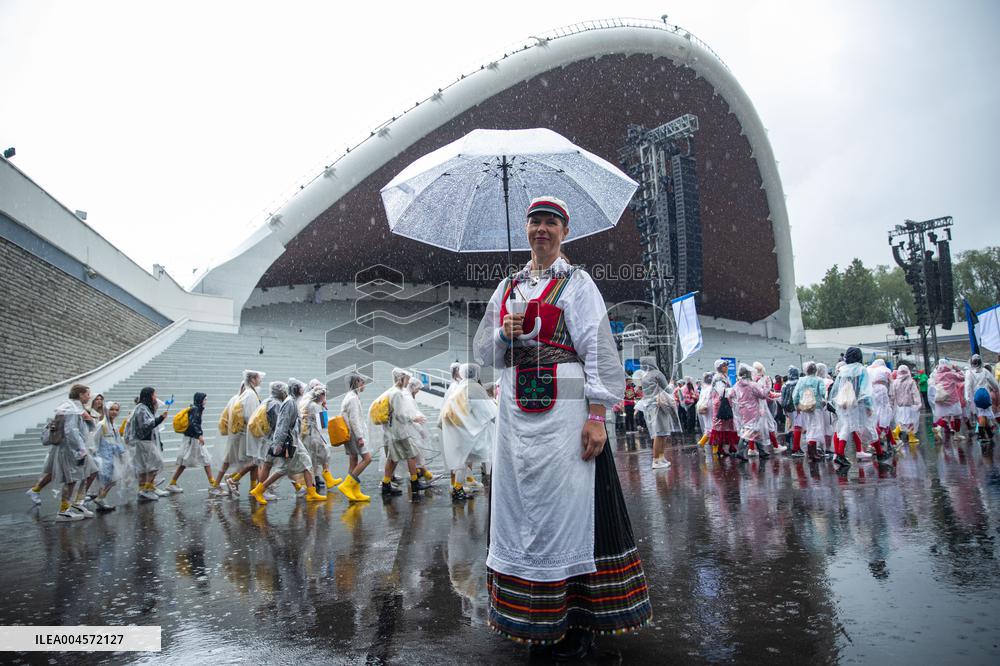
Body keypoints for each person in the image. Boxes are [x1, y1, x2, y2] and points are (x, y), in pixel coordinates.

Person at [473, 196, 651, 656]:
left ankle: (576, 620)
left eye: (551, 223)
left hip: (564, 412)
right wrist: (502, 334)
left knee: (568, 508)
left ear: (564, 232)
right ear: (526, 229)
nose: (541, 230)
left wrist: (597, 417)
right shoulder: (507, 287)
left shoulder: (577, 283)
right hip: (516, 414)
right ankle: (535, 619)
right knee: (520, 508)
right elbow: (482, 358)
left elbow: (599, 350)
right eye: (535, 223)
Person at [249, 379, 326, 505]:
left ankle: (311, 492)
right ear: (296, 389)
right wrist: (278, 443)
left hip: (294, 440)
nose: (303, 390)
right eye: (301, 388)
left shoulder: (293, 402)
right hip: (288, 440)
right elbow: (282, 423)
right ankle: (259, 490)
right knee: (283, 468)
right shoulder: (289, 403)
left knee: (307, 463)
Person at [440, 363, 497, 501]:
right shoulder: (474, 387)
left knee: (463, 459)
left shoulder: (460, 386)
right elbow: (489, 410)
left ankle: (459, 486)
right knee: (463, 459)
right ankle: (457, 489)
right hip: (465, 430)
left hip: (456, 429)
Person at [830, 347, 886, 467]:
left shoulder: (843, 370)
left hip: (845, 404)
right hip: (858, 404)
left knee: (845, 427)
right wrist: (868, 406)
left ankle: (839, 454)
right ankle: (880, 453)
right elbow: (866, 390)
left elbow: (836, 389)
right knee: (869, 426)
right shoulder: (861, 370)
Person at [379, 368, 429, 500]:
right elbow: (400, 415)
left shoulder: (393, 392)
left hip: (394, 431)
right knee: (411, 454)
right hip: (399, 431)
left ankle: (386, 485)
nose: (408, 382)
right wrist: (413, 418)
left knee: (393, 459)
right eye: (406, 379)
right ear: (401, 378)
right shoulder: (397, 394)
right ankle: (414, 483)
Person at [219, 369, 265, 497]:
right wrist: (259, 428)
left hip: (249, 433)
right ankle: (233, 478)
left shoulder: (251, 393)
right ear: (252, 380)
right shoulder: (250, 394)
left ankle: (252, 487)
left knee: (254, 462)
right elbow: (250, 415)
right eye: (258, 378)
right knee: (254, 461)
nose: (260, 380)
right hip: (249, 434)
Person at [126, 386, 169, 501]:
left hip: (145, 441)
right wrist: (160, 419)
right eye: (154, 394)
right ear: (149, 395)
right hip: (144, 442)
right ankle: (146, 489)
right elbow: (145, 425)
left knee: (146, 466)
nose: (155, 397)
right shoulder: (142, 408)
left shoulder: (143, 408)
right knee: (155, 463)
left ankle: (145, 489)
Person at [336, 372, 373, 502]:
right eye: (362, 382)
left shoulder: (351, 396)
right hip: (355, 435)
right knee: (367, 458)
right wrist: (360, 437)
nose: (364, 385)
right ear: (356, 382)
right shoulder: (352, 398)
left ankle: (354, 492)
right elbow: (354, 420)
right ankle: (347, 485)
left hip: (352, 435)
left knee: (353, 460)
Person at [167, 392, 214, 493]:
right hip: (193, 440)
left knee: (205, 460)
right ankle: (172, 483)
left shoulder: (195, 408)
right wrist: (199, 435)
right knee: (200, 461)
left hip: (192, 439)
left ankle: (213, 483)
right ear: (200, 400)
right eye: (205, 399)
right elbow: (193, 423)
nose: (206, 401)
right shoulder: (196, 409)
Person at [301, 381, 342, 493]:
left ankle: (316, 482)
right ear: (320, 395)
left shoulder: (308, 403)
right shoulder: (315, 406)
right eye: (324, 395)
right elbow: (322, 424)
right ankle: (323, 480)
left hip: (308, 435)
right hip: (314, 435)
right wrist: (324, 409)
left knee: (314, 459)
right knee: (324, 454)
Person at [638, 356, 679, 469]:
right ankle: (656, 460)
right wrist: (671, 383)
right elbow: (668, 390)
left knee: (661, 433)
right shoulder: (657, 374)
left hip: (651, 406)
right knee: (661, 433)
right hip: (659, 406)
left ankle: (660, 458)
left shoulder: (644, 377)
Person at [91, 400, 127, 511]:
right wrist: (95, 455)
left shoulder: (113, 425)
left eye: (116, 410)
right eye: (111, 409)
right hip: (103, 456)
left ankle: (101, 498)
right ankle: (100, 498)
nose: (114, 412)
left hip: (112, 456)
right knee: (107, 479)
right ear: (106, 410)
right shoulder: (101, 425)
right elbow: (94, 441)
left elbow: (117, 441)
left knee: (112, 478)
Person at [733, 364, 771, 461]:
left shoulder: (737, 384)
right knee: (750, 430)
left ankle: (762, 451)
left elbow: (731, 394)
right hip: (753, 410)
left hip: (743, 410)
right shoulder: (752, 385)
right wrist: (767, 386)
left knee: (755, 430)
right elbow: (762, 395)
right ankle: (740, 452)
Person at [793, 361, 827, 462]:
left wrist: (796, 405)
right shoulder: (819, 380)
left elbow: (796, 394)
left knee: (809, 427)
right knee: (815, 428)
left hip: (804, 406)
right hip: (816, 407)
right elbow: (823, 393)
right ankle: (812, 453)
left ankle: (812, 452)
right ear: (815, 370)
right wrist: (824, 401)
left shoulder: (801, 380)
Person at [964, 354, 1000, 442]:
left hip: (976, 396)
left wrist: (967, 397)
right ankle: (987, 433)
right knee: (984, 413)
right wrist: (996, 389)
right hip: (986, 395)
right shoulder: (985, 371)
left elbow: (967, 386)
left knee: (982, 414)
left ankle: (982, 434)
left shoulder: (969, 372)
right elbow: (993, 382)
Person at [929, 359, 965, 440]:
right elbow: (963, 378)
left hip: (941, 399)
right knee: (957, 416)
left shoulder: (936, 374)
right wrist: (957, 369)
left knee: (946, 417)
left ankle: (938, 428)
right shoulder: (951, 374)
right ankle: (957, 435)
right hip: (953, 399)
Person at [710, 359, 738, 457]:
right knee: (721, 425)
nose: (726, 367)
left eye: (726, 365)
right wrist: (733, 391)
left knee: (728, 424)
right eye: (724, 366)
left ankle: (730, 446)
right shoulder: (718, 378)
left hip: (725, 404)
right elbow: (722, 391)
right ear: (719, 368)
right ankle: (721, 448)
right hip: (720, 405)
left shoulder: (724, 377)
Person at [868, 359, 897, 453]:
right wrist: (892, 396)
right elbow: (891, 383)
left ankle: (893, 442)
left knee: (877, 414)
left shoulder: (869, 369)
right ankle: (876, 440)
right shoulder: (885, 370)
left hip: (871, 391)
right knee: (885, 415)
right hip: (882, 391)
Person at [893, 365, 921, 444]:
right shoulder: (911, 381)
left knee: (902, 420)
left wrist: (892, 404)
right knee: (910, 421)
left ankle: (896, 431)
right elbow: (915, 393)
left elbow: (893, 394)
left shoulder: (895, 382)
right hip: (909, 405)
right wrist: (918, 403)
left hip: (899, 406)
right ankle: (911, 438)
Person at [781, 367, 803, 457]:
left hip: (788, 409)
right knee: (798, 427)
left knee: (792, 426)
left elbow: (782, 399)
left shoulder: (785, 385)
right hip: (797, 408)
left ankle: (792, 443)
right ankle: (796, 448)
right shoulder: (799, 383)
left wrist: (784, 410)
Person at [695, 372, 714, 449]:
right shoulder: (711, 388)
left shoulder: (704, 388)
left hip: (703, 408)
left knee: (707, 427)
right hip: (710, 408)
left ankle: (702, 442)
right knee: (713, 428)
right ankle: (715, 449)